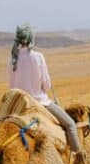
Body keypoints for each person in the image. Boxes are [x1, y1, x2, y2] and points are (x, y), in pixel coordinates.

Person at [9, 24, 82, 154]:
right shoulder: (38, 57)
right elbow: (46, 86)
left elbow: (11, 87)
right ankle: (78, 161)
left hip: (18, 106)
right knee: (70, 125)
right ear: (31, 38)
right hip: (40, 103)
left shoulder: (12, 59)